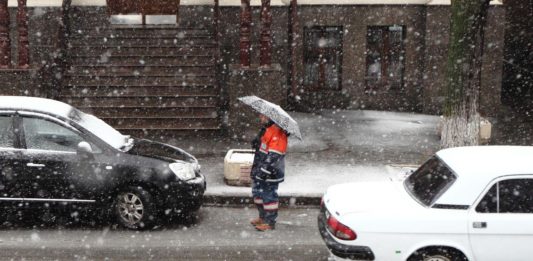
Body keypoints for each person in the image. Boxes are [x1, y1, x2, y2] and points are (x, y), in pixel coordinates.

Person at [250, 114, 288, 231]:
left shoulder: (278, 133)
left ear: (271, 118)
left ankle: (269, 222)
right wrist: (258, 141)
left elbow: (274, 156)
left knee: (269, 196)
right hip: (260, 168)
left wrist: (264, 170)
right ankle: (263, 217)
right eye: (260, 116)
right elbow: (263, 149)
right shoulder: (267, 130)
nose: (261, 118)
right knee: (257, 193)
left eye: (263, 117)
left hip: (270, 172)